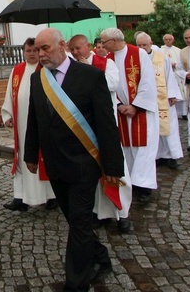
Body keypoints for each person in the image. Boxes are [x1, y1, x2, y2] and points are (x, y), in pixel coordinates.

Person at [24, 28, 124, 291]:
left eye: (46, 48)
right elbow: (34, 119)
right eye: (38, 49)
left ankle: (76, 283)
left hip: (83, 164)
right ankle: (101, 258)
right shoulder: (39, 80)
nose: (41, 54)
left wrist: (113, 165)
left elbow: (106, 123)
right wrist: (30, 153)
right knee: (74, 220)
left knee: (79, 222)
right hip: (55, 164)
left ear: (62, 45)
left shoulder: (90, 76)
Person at [68, 34, 133, 233]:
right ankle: (100, 212)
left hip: (106, 126)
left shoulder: (107, 63)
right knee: (92, 172)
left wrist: (86, 70)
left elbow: (112, 84)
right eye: (73, 50)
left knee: (116, 167)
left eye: (79, 48)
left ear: (88, 46)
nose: (76, 53)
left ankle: (123, 213)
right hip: (87, 127)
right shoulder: (72, 69)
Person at [101, 28, 159, 205]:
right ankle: (131, 183)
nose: (102, 45)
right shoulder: (108, 59)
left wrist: (135, 106)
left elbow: (148, 82)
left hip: (141, 111)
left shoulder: (139, 54)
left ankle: (144, 187)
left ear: (115, 40)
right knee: (126, 150)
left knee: (144, 150)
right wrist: (119, 105)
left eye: (105, 42)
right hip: (121, 112)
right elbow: (107, 84)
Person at [0, 38, 56, 212]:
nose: (32, 54)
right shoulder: (17, 70)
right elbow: (10, 92)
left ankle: (51, 196)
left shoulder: (46, 70)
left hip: (41, 125)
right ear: (23, 52)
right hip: (21, 123)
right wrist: (8, 114)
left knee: (43, 157)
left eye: (34, 50)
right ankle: (21, 198)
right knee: (22, 158)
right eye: (28, 51)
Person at [136, 33, 183, 170]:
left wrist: (172, 94)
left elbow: (169, 75)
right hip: (146, 100)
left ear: (151, 43)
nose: (142, 47)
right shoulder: (136, 58)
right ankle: (155, 156)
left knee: (169, 128)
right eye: (139, 45)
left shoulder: (161, 57)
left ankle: (171, 156)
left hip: (163, 98)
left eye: (144, 45)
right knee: (151, 129)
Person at [161, 34, 187, 120]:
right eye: (166, 39)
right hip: (168, 74)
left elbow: (182, 62)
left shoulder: (178, 50)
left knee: (182, 93)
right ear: (164, 41)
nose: (168, 41)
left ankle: (184, 112)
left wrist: (176, 65)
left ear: (173, 40)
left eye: (169, 39)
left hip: (178, 74)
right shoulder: (161, 50)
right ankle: (175, 112)